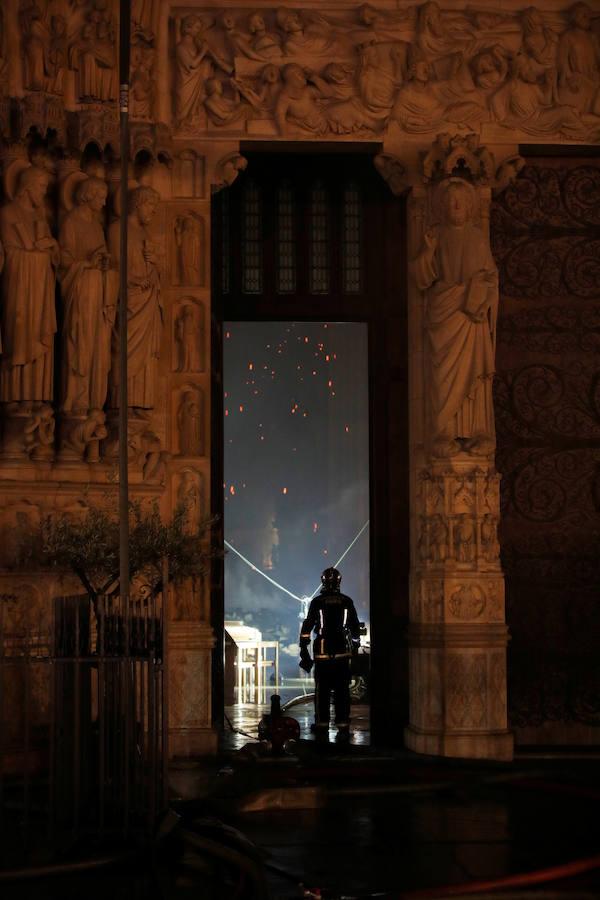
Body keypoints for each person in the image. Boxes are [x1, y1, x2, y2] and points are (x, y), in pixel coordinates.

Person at [299, 567, 361, 742]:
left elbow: (307, 627)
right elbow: (355, 627)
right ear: (339, 582)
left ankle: (322, 723)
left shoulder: (317, 602)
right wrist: (355, 647)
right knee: (342, 691)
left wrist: (304, 649)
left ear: (323, 582)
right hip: (342, 652)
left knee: (322, 691)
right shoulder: (347, 601)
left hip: (323, 652)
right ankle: (343, 724)